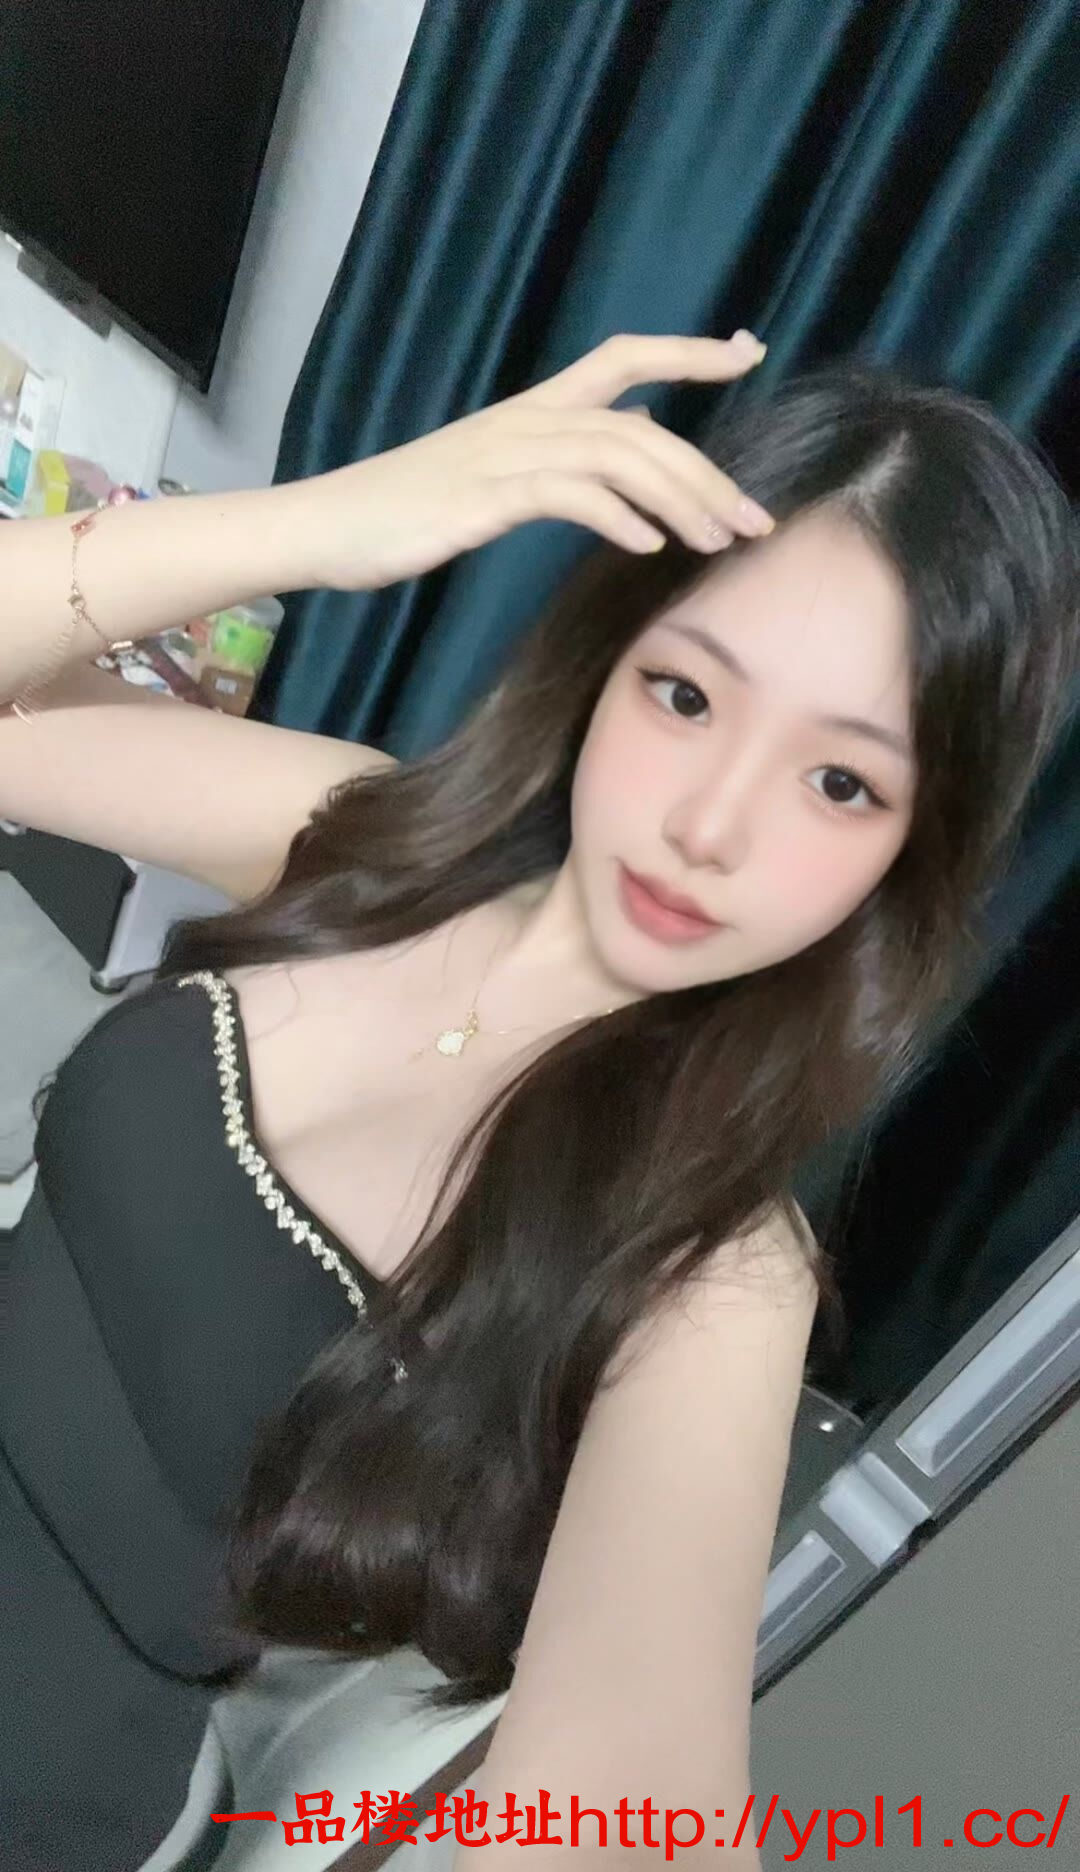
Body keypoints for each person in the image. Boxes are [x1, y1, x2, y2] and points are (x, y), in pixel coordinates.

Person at [0, 331, 1075, 1872]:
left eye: (841, 783)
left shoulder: (715, 1270)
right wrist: (326, 519)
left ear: (913, 852)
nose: (710, 824)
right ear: (605, 662)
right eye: (686, 695)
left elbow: (638, 1791)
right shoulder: (367, 844)